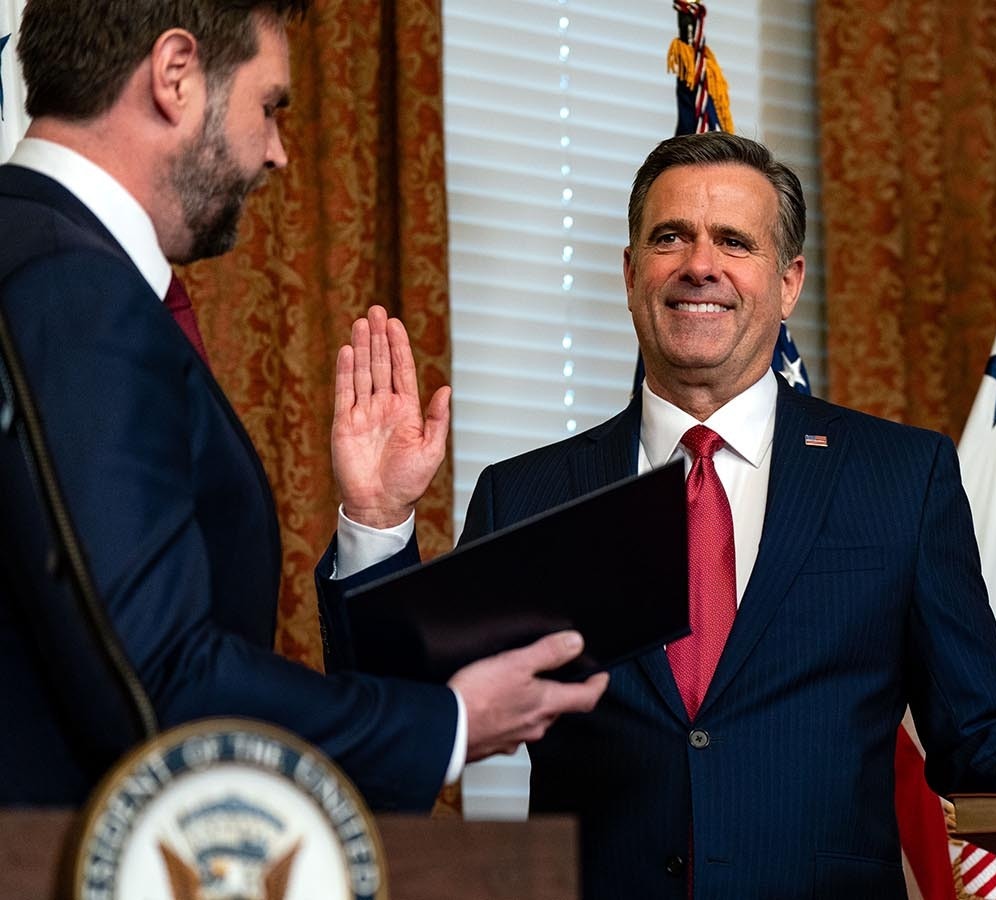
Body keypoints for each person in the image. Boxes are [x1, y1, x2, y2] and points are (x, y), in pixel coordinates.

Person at [330, 131, 996, 897]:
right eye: (670, 238)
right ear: (628, 272)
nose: (700, 265)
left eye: (735, 242)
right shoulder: (532, 494)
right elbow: (403, 719)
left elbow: (974, 720)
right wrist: (375, 519)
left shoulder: (901, 479)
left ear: (788, 281)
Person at [0, 0, 605, 810]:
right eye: (269, 106)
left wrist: (375, 518)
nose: (277, 153)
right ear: (175, 74)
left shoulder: (29, 249)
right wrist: (450, 724)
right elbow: (159, 677)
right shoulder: (78, 289)